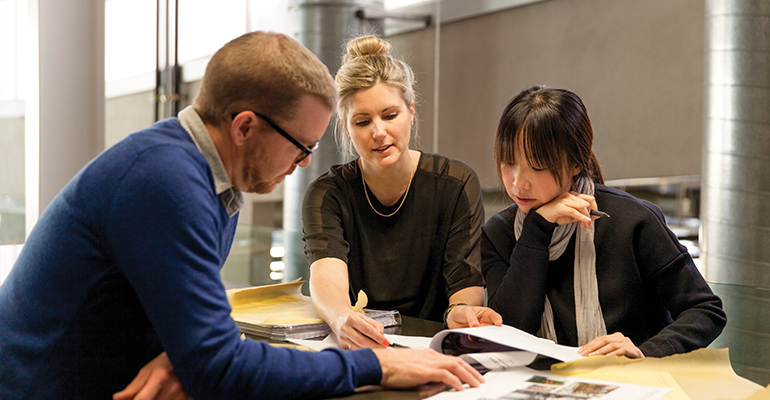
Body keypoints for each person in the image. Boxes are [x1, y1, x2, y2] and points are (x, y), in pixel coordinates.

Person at [0, 31, 485, 400]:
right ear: (246, 127)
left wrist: (185, 355)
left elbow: (195, 338)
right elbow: (219, 367)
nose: (305, 163)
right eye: (300, 146)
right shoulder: (163, 181)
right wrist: (377, 367)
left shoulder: (212, 182)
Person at [480, 85, 727, 359]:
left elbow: (705, 311)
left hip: (633, 383)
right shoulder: (498, 234)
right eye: (507, 162)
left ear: (575, 162)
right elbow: (510, 333)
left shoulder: (631, 220)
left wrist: (646, 352)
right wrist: (538, 230)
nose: (517, 182)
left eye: (537, 166)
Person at [302, 35, 502, 351]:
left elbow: (465, 282)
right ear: (346, 127)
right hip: (360, 347)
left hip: (433, 350)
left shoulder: (455, 182)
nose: (378, 131)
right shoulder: (328, 193)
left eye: (390, 115)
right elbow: (326, 276)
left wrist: (462, 312)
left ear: (411, 111)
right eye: (362, 121)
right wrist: (341, 317)